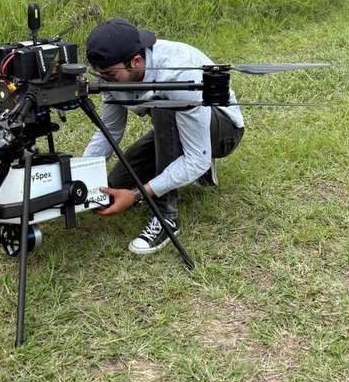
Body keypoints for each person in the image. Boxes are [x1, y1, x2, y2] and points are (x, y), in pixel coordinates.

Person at [83, 18, 244, 255]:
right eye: (99, 75)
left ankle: (166, 216)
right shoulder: (112, 73)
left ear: (135, 62)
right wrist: (82, 175)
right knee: (113, 186)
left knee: (163, 108)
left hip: (223, 130)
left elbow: (196, 159)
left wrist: (137, 195)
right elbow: (110, 131)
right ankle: (183, 155)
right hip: (178, 126)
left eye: (109, 75)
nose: (104, 81)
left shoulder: (176, 73)